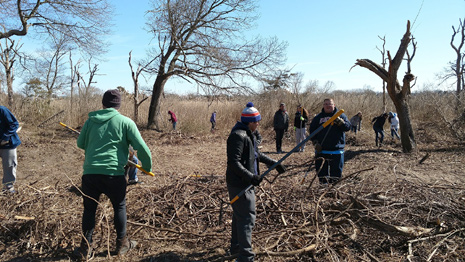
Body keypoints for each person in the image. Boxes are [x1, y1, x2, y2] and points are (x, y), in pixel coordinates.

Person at [74, 89, 152, 260]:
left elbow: (80, 143)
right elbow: (142, 147)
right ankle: (122, 243)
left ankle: (85, 248)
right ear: (118, 105)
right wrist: (147, 167)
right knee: (119, 206)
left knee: (89, 209)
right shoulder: (125, 122)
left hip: (90, 174)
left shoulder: (90, 121)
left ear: (103, 103)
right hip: (114, 175)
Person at [226, 102, 285, 262]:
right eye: (256, 121)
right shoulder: (238, 136)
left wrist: (274, 163)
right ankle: (246, 256)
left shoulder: (249, 134)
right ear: (249, 121)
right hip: (240, 183)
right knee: (247, 218)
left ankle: (236, 248)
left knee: (240, 216)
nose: (258, 123)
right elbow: (233, 162)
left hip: (245, 182)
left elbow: (256, 154)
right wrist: (250, 177)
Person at [309, 98, 351, 184]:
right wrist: (315, 142)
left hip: (336, 150)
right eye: (326, 104)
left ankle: (334, 190)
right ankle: (323, 189)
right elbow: (312, 131)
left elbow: (348, 127)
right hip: (321, 150)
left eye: (330, 104)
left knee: (336, 174)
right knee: (322, 173)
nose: (328, 106)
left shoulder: (341, 115)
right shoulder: (318, 117)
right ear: (323, 106)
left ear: (334, 105)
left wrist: (341, 122)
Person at [0, 106, 21, 194]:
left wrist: (4, 138)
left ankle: (8, 188)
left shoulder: (2, 110)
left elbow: (14, 124)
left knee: (9, 165)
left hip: (7, 143)